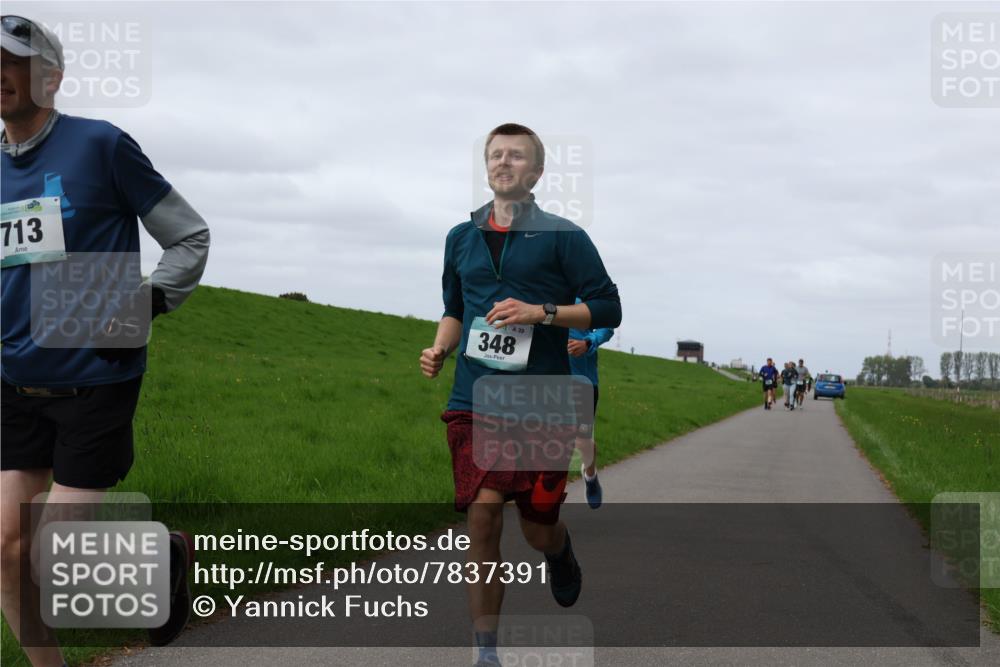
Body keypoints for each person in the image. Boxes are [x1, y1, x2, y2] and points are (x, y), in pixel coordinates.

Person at [1, 16, 210, 666]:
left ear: (52, 78)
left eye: (17, 61)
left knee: (47, 552)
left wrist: (144, 300)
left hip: (97, 372)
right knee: (5, 547)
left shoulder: (102, 146)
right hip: (13, 382)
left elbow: (190, 235)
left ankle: (161, 557)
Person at [420, 123, 621, 667]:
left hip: (541, 401)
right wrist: (440, 348)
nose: (503, 162)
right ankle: (486, 652)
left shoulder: (564, 237)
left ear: (535, 172)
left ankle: (559, 551)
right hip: (474, 396)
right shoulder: (459, 238)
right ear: (486, 166)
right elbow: (455, 309)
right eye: (495, 155)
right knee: (482, 518)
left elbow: (607, 308)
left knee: (536, 530)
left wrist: (544, 313)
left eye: (516, 156)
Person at [567, 302, 614, 509]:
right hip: (548, 379)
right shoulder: (541, 291)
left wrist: (587, 342)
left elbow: (607, 327)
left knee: (582, 442)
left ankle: (590, 475)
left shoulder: (583, 298)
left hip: (583, 382)